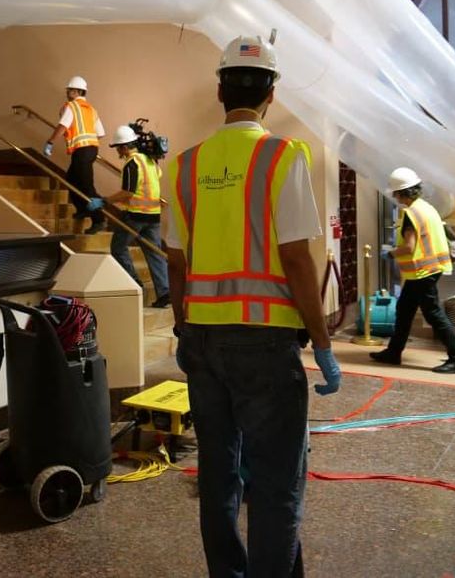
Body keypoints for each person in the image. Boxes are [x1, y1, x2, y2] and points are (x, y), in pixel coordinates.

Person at [163, 35, 341, 578]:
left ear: (220, 90)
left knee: (220, 473)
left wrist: (184, 329)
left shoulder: (185, 165)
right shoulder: (283, 156)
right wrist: (326, 344)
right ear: (272, 93)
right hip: (265, 343)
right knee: (275, 482)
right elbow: (296, 259)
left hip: (203, 340)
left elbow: (175, 261)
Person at [370, 167, 455, 373]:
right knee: (404, 310)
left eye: (395, 193)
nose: (395, 197)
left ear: (400, 192)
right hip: (428, 270)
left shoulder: (411, 213)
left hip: (423, 272)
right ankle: (394, 352)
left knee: (433, 314)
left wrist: (391, 253)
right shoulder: (427, 208)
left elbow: (409, 246)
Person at [87, 125, 170, 308]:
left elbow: (128, 192)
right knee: (154, 252)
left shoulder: (132, 163)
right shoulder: (149, 161)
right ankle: (164, 292)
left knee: (118, 248)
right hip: (153, 215)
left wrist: (104, 201)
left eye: (118, 147)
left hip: (136, 215)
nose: (118, 151)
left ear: (124, 147)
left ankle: (136, 286)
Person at [44, 75, 106, 234]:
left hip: (82, 151)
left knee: (87, 186)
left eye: (69, 89)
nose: (67, 92)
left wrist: (50, 142)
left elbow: (63, 126)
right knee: (71, 179)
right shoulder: (91, 109)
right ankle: (83, 208)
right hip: (91, 149)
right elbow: (100, 133)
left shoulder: (71, 106)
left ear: (77, 91)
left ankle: (99, 219)